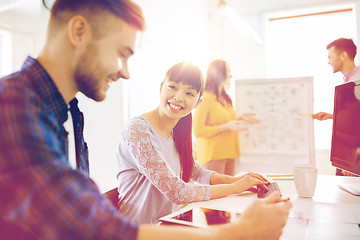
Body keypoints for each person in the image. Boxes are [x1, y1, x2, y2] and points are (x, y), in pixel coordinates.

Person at [0, 0, 292, 239]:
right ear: (79, 31)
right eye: (121, 54)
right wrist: (239, 232)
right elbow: (92, 228)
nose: (125, 72)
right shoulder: (14, 106)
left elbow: (75, 212)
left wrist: (239, 185)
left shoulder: (68, 112)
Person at [116, 62, 270, 224]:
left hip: (167, 226)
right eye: (173, 87)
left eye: (189, 93)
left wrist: (237, 180)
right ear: (161, 87)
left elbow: (196, 172)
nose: (179, 97)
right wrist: (236, 187)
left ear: (197, 103)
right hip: (136, 231)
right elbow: (176, 192)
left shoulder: (177, 130)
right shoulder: (138, 130)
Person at [193, 59, 259, 176]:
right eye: (227, 71)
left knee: (229, 193)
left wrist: (240, 119)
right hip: (214, 155)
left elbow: (226, 122)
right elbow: (198, 131)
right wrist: (227, 126)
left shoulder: (224, 98)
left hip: (230, 153)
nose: (230, 75)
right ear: (218, 74)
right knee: (218, 193)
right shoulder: (205, 99)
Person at [312, 38, 360, 176]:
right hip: (346, 150)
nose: (328, 61)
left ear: (343, 56)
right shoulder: (349, 81)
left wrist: (355, 162)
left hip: (353, 154)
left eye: (330, 57)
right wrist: (333, 116)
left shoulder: (357, 81)